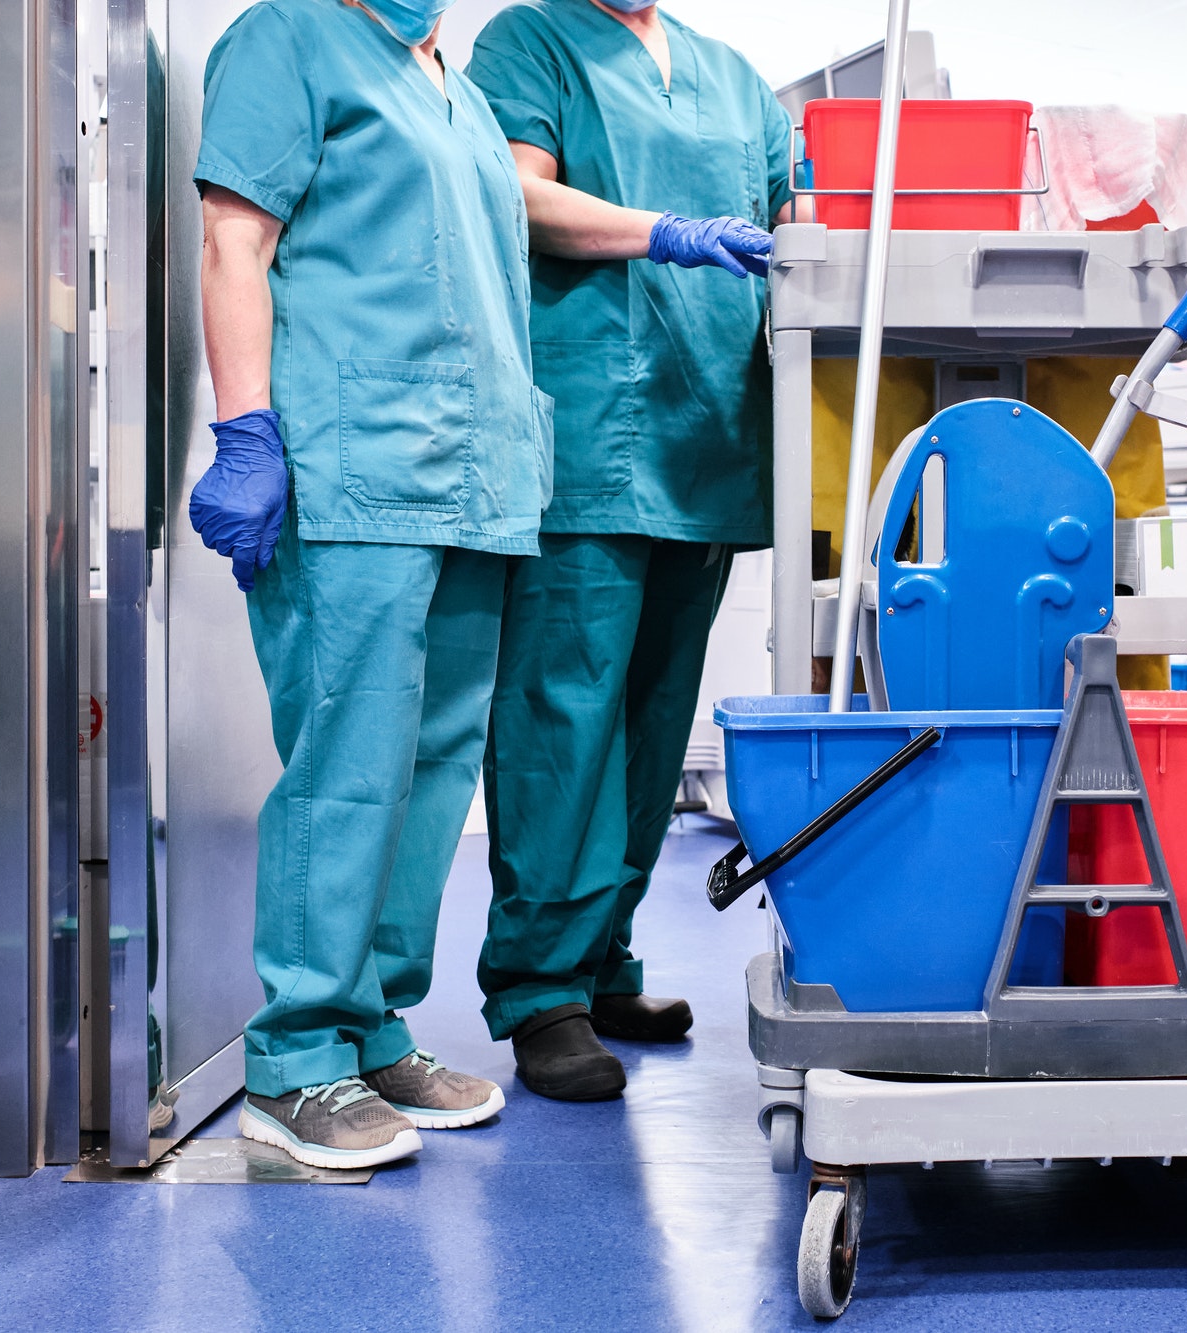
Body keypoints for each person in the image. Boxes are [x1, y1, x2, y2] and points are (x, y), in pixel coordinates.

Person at [190, 0, 553, 1166]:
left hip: (470, 472)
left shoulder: (456, 83)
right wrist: (246, 430)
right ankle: (295, 1058)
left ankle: (368, 1021)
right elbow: (232, 241)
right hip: (353, 462)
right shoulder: (284, 38)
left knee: (434, 768)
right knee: (346, 765)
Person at [465, 0, 796, 1100]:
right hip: (592, 430)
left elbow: (797, 217)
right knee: (564, 714)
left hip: (705, 434)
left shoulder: (734, 78)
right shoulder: (530, 42)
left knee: (657, 725)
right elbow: (514, 194)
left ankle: (603, 962)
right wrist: (663, 230)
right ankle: (538, 991)